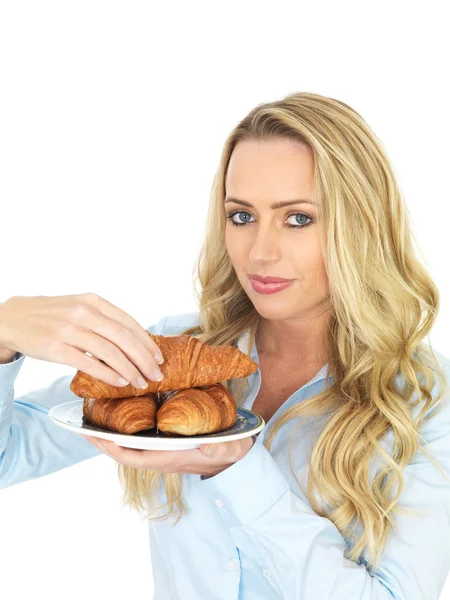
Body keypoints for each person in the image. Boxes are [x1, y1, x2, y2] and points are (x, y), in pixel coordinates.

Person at [1, 91, 449, 600]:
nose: (260, 251)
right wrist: (3, 334)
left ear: (360, 226)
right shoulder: (175, 354)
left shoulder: (427, 399)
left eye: (298, 218)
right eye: (241, 216)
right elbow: (7, 456)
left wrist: (234, 468)